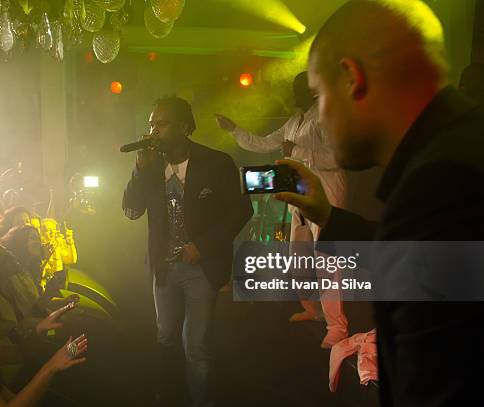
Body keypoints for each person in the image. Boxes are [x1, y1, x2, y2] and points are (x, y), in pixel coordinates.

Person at [274, 0, 484, 404]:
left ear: (352, 78)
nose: (319, 113)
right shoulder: (453, 152)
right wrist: (330, 217)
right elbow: (422, 261)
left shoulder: (443, 181)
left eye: (319, 95)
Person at [123, 96, 253, 406]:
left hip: (200, 267)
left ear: (183, 127)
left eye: (162, 124)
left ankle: (200, 401)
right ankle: (168, 395)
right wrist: (140, 168)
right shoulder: (150, 166)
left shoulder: (216, 162)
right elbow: (130, 210)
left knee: (195, 346)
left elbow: (240, 211)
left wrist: (204, 246)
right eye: (151, 124)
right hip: (164, 270)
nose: (153, 131)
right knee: (165, 337)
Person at [216, 72, 349, 347]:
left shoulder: (328, 116)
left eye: (298, 89)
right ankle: (314, 310)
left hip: (327, 192)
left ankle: (337, 326)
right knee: (297, 254)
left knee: (326, 260)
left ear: (312, 91)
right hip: (299, 194)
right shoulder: (293, 122)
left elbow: (340, 155)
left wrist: (297, 151)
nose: (292, 95)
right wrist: (233, 129)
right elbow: (262, 143)